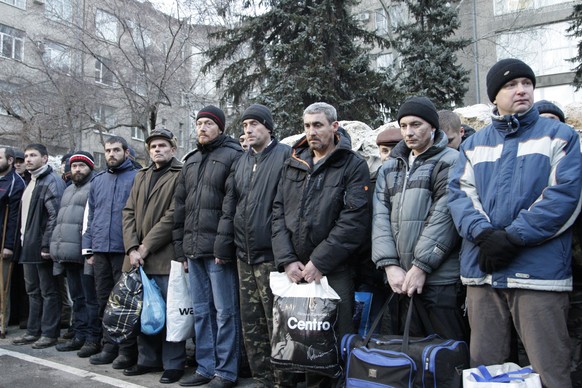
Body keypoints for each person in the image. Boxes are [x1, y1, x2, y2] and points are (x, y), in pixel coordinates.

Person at [448, 58, 582, 388]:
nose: (521, 90)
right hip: (483, 270)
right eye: (510, 85)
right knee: (485, 370)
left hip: (538, 273)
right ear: (494, 96)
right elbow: (460, 195)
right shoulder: (473, 144)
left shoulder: (561, 136)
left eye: (526, 83)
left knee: (550, 368)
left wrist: (512, 237)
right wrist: (483, 234)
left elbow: (564, 197)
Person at [272, 102, 371, 385]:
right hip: (294, 270)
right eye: (307, 126)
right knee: (294, 340)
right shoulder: (293, 161)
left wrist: (320, 262)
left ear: (334, 126)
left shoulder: (352, 164)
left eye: (318, 125)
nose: (311, 132)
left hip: (333, 270)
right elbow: (277, 213)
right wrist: (287, 259)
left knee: (332, 342)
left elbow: (353, 222)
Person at [372, 97, 468, 341]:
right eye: (403, 126)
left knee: (445, 356)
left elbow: (443, 216)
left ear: (433, 127)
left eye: (416, 125)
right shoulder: (390, 166)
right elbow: (380, 216)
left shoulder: (451, 160)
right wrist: (389, 265)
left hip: (439, 280)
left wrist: (421, 266)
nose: (409, 132)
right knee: (409, 358)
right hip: (400, 279)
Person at [214, 104, 294, 387]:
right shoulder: (242, 161)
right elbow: (230, 205)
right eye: (245, 125)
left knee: (278, 323)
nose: (248, 129)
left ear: (268, 127)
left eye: (254, 124)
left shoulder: (285, 155)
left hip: (271, 257)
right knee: (252, 323)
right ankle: (262, 378)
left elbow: (288, 207)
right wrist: (223, 247)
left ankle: (283, 380)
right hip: (243, 255)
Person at [174, 105, 243, 388]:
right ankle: (205, 367)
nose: (202, 128)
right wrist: (181, 251)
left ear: (221, 128)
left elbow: (231, 206)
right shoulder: (190, 162)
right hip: (193, 249)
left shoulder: (233, 156)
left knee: (225, 312)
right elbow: (180, 208)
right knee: (201, 312)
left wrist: (222, 248)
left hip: (218, 252)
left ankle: (226, 372)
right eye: (199, 123)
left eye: (208, 123)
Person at [121, 128, 186, 384]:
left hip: (163, 258)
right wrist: (132, 248)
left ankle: (173, 364)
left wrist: (145, 247)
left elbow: (173, 216)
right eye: (153, 146)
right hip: (137, 258)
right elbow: (128, 213)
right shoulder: (141, 175)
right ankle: (147, 360)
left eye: (162, 145)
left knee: (169, 314)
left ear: (173, 149)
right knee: (143, 312)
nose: (157, 150)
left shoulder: (180, 174)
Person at [82, 136, 137, 369]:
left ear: (126, 152)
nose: (111, 154)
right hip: (100, 250)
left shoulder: (137, 177)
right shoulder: (98, 180)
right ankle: (109, 346)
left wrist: (134, 247)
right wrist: (89, 248)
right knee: (104, 300)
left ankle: (127, 351)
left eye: (116, 150)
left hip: (124, 250)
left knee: (125, 302)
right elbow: (91, 215)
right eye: (108, 150)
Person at [12, 144, 65, 349]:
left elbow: (54, 216)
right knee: (32, 291)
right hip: (28, 244)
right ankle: (33, 331)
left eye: (33, 155)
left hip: (41, 246)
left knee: (48, 291)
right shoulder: (31, 181)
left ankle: (50, 333)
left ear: (45, 158)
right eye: (26, 156)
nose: (28, 159)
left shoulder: (51, 181)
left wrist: (46, 245)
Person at [50, 151, 101, 357]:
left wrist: (91, 249)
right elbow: (61, 222)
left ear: (90, 167)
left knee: (91, 299)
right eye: (74, 166)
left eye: (81, 165)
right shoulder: (69, 189)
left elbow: (95, 220)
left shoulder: (94, 186)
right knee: (77, 299)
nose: (77, 169)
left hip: (86, 253)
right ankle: (79, 335)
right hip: (69, 253)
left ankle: (92, 338)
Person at [0, 147, 25, 334]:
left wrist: (9, 245)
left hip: (3, 242)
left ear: (9, 161)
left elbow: (14, 218)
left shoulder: (16, 183)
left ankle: (2, 322)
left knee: (2, 287)